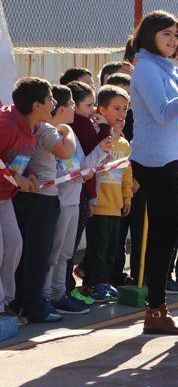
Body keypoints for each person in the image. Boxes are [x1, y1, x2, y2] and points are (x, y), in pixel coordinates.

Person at [129, 10, 178, 335]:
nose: (173, 41)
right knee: (163, 236)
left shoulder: (166, 68)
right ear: (149, 36)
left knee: (168, 235)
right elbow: (162, 113)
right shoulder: (145, 67)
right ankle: (156, 311)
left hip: (171, 159)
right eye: (166, 35)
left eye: (176, 35)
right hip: (155, 161)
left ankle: (157, 310)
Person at [8, 80, 75, 324]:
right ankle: (29, 305)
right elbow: (66, 151)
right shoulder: (36, 128)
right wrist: (69, 134)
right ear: (38, 105)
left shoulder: (32, 127)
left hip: (21, 194)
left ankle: (19, 303)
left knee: (22, 251)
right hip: (35, 199)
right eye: (51, 101)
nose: (55, 105)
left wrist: (25, 176)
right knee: (35, 254)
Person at [45, 85, 111, 314]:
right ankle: (46, 297)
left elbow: (83, 167)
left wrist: (102, 150)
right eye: (73, 104)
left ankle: (59, 293)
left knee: (65, 254)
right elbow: (51, 173)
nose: (76, 108)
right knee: (53, 253)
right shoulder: (49, 134)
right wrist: (76, 174)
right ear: (61, 108)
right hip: (58, 202)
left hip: (74, 201)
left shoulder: (71, 134)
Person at [79, 85, 134, 304]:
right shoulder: (98, 138)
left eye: (125, 109)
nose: (122, 114)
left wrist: (127, 197)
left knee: (112, 246)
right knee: (98, 247)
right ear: (102, 110)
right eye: (117, 109)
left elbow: (126, 174)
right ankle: (93, 282)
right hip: (98, 205)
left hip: (116, 205)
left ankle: (105, 281)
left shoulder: (124, 144)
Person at [65, 81, 111, 300]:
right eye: (88, 104)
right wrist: (104, 127)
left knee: (68, 247)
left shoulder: (80, 122)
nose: (92, 110)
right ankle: (64, 288)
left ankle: (65, 287)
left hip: (82, 189)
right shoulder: (80, 124)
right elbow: (97, 146)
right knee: (68, 247)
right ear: (73, 105)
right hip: (79, 189)